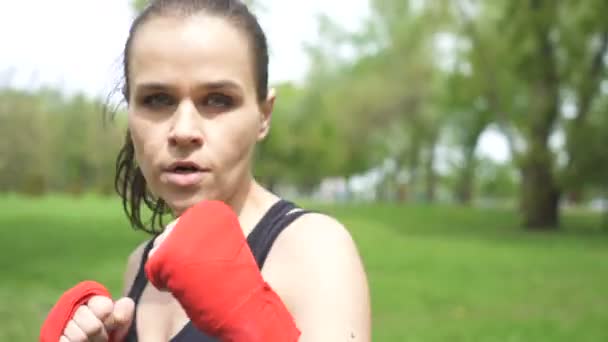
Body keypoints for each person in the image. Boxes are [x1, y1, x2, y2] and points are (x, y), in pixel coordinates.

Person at [40, 0, 371, 341]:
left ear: (264, 115)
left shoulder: (313, 248)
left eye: (218, 99)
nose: (183, 130)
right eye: (157, 99)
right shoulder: (140, 265)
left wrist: (253, 321)